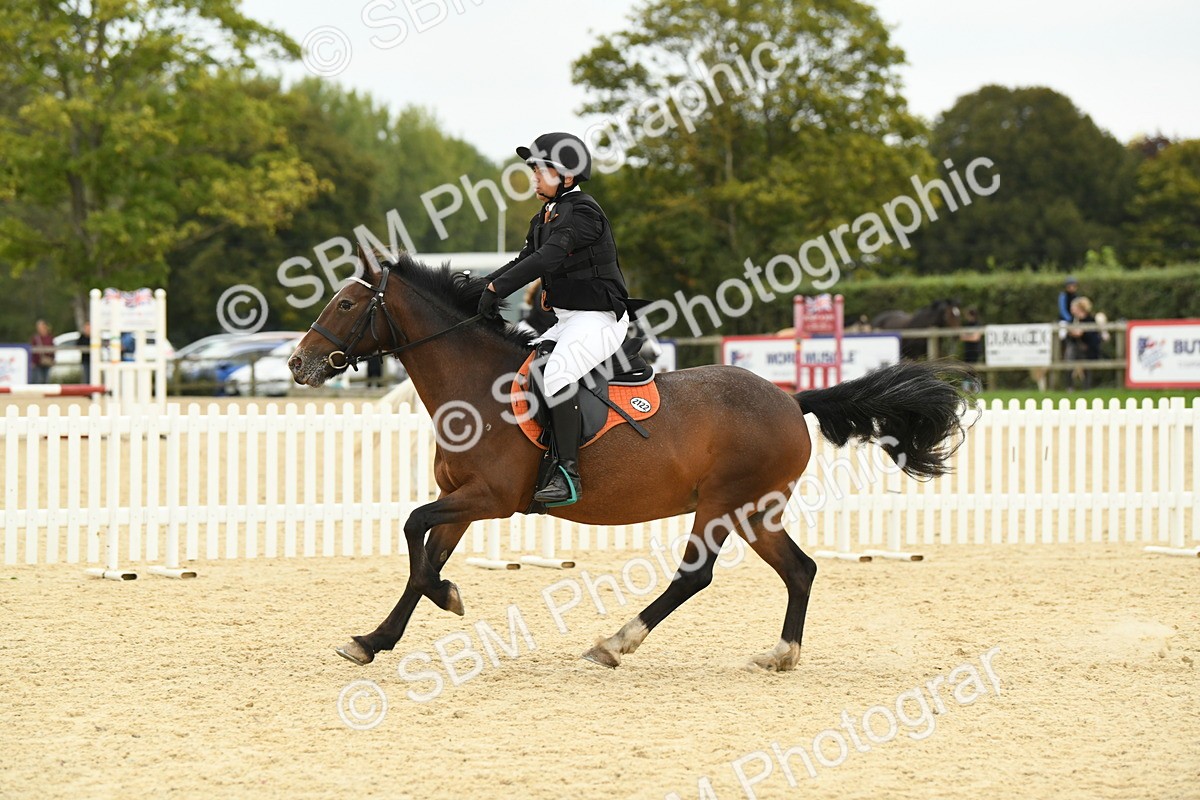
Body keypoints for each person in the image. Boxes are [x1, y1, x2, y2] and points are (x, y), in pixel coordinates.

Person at [477, 132, 631, 507]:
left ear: (566, 175)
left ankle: (567, 473)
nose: (532, 176)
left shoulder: (582, 212)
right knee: (527, 370)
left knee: (558, 374)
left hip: (599, 319)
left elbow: (546, 259)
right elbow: (522, 260)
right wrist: (479, 287)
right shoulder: (545, 215)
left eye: (539, 169)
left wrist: (498, 288)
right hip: (568, 320)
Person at [1067, 297, 1103, 390]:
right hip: (1076, 347)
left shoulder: (1090, 319)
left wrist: (1083, 333)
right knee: (1069, 357)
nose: (1072, 309)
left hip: (1088, 348)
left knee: (1087, 365)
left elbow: (1093, 336)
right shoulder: (1073, 320)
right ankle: (1070, 386)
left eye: (1073, 307)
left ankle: (1087, 387)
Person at [959, 307, 983, 392]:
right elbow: (962, 336)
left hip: (975, 350)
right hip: (968, 349)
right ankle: (966, 389)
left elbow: (976, 338)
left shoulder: (977, 324)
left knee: (974, 370)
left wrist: (966, 337)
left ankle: (977, 389)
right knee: (966, 369)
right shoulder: (967, 325)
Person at [29, 319, 55, 384]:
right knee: (39, 380)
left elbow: (53, 349)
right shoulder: (35, 338)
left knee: (46, 380)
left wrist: (52, 359)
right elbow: (32, 350)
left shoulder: (50, 337)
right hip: (37, 363)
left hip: (47, 361)